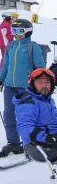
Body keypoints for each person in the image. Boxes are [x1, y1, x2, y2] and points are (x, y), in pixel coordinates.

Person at [0, 19, 45, 156]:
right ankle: (13, 143)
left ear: (27, 31)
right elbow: (5, 66)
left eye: (19, 31)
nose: (15, 34)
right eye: (13, 31)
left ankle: (30, 144)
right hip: (9, 86)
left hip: (25, 88)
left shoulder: (33, 47)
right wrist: (1, 80)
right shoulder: (11, 46)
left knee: (26, 117)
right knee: (9, 115)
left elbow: (40, 68)